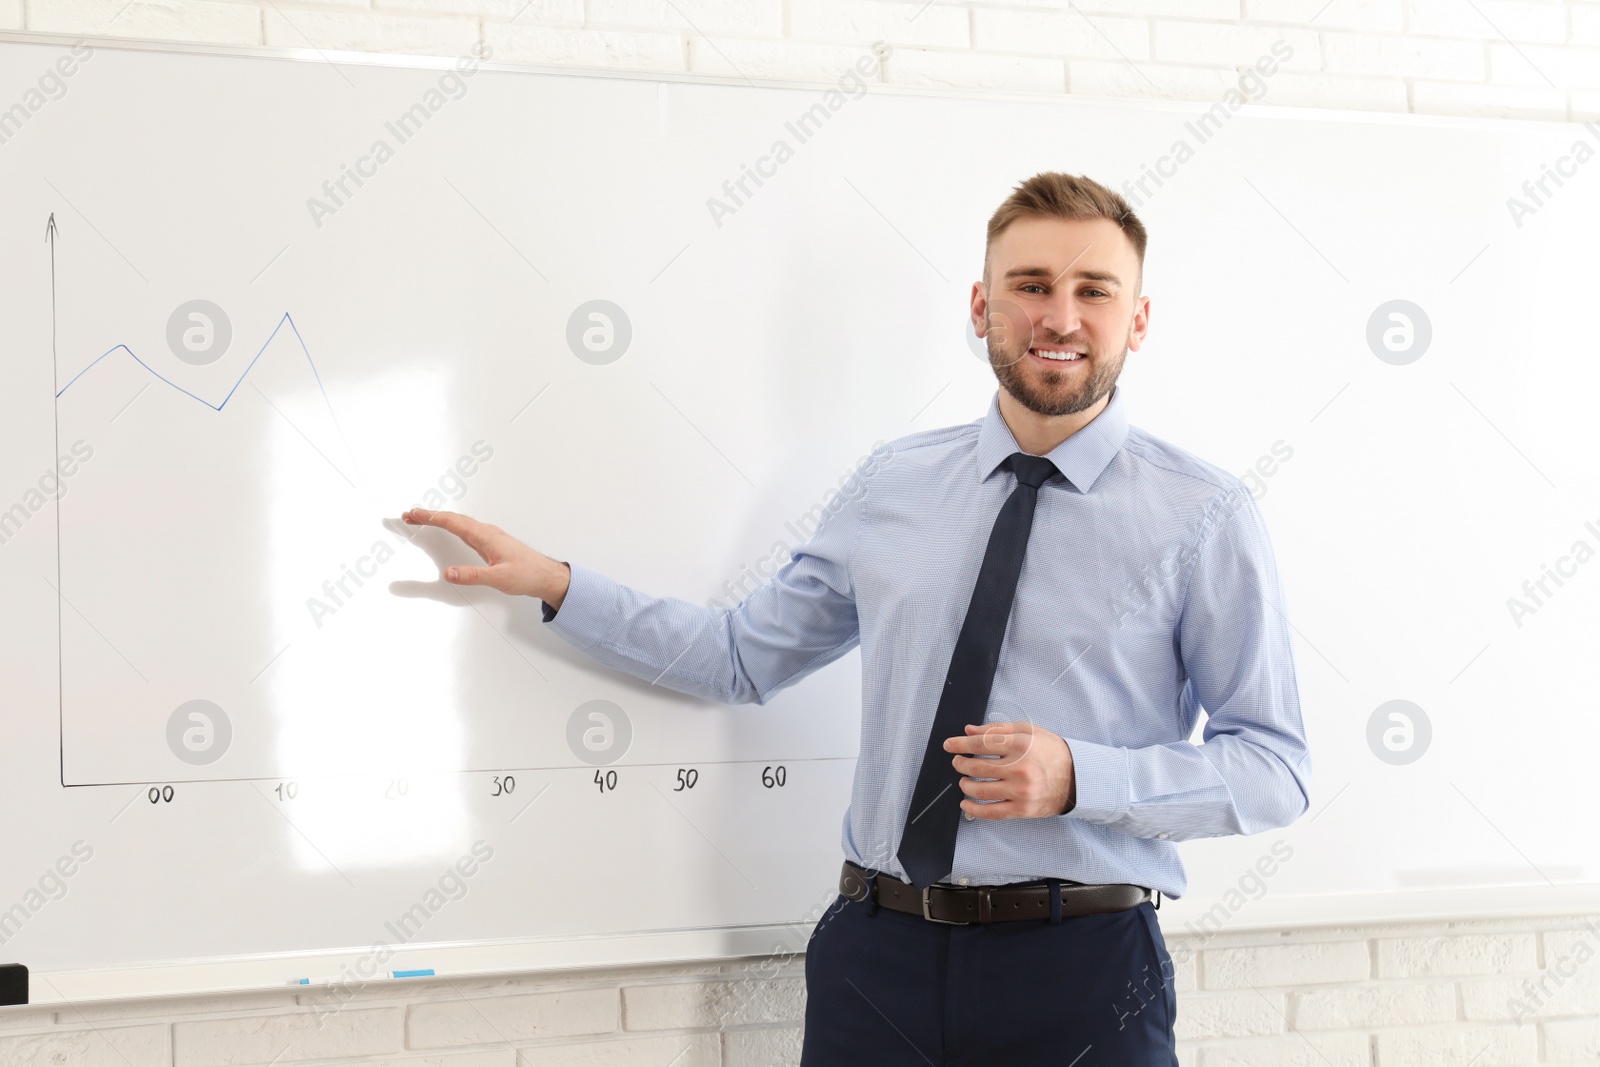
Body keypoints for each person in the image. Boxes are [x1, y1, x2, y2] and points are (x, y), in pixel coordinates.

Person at [403, 171, 1311, 1065]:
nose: (1060, 317)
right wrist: (557, 582)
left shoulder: (1205, 516)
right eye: (1030, 286)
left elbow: (1275, 768)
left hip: (1084, 970)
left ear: (1138, 319)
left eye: (1094, 291)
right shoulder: (895, 484)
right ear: (982, 305)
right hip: (879, 960)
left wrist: (1084, 776)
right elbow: (740, 657)